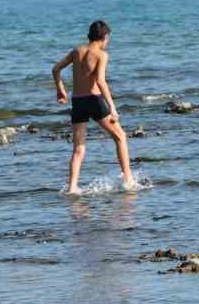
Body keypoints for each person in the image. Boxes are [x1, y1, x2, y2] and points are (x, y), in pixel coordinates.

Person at [52, 20, 136, 194]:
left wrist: (60, 89)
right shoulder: (101, 54)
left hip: (78, 102)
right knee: (120, 136)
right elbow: (100, 81)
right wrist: (112, 107)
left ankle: (72, 187)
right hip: (94, 100)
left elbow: (55, 69)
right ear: (105, 36)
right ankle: (128, 179)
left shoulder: (77, 51)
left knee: (79, 148)